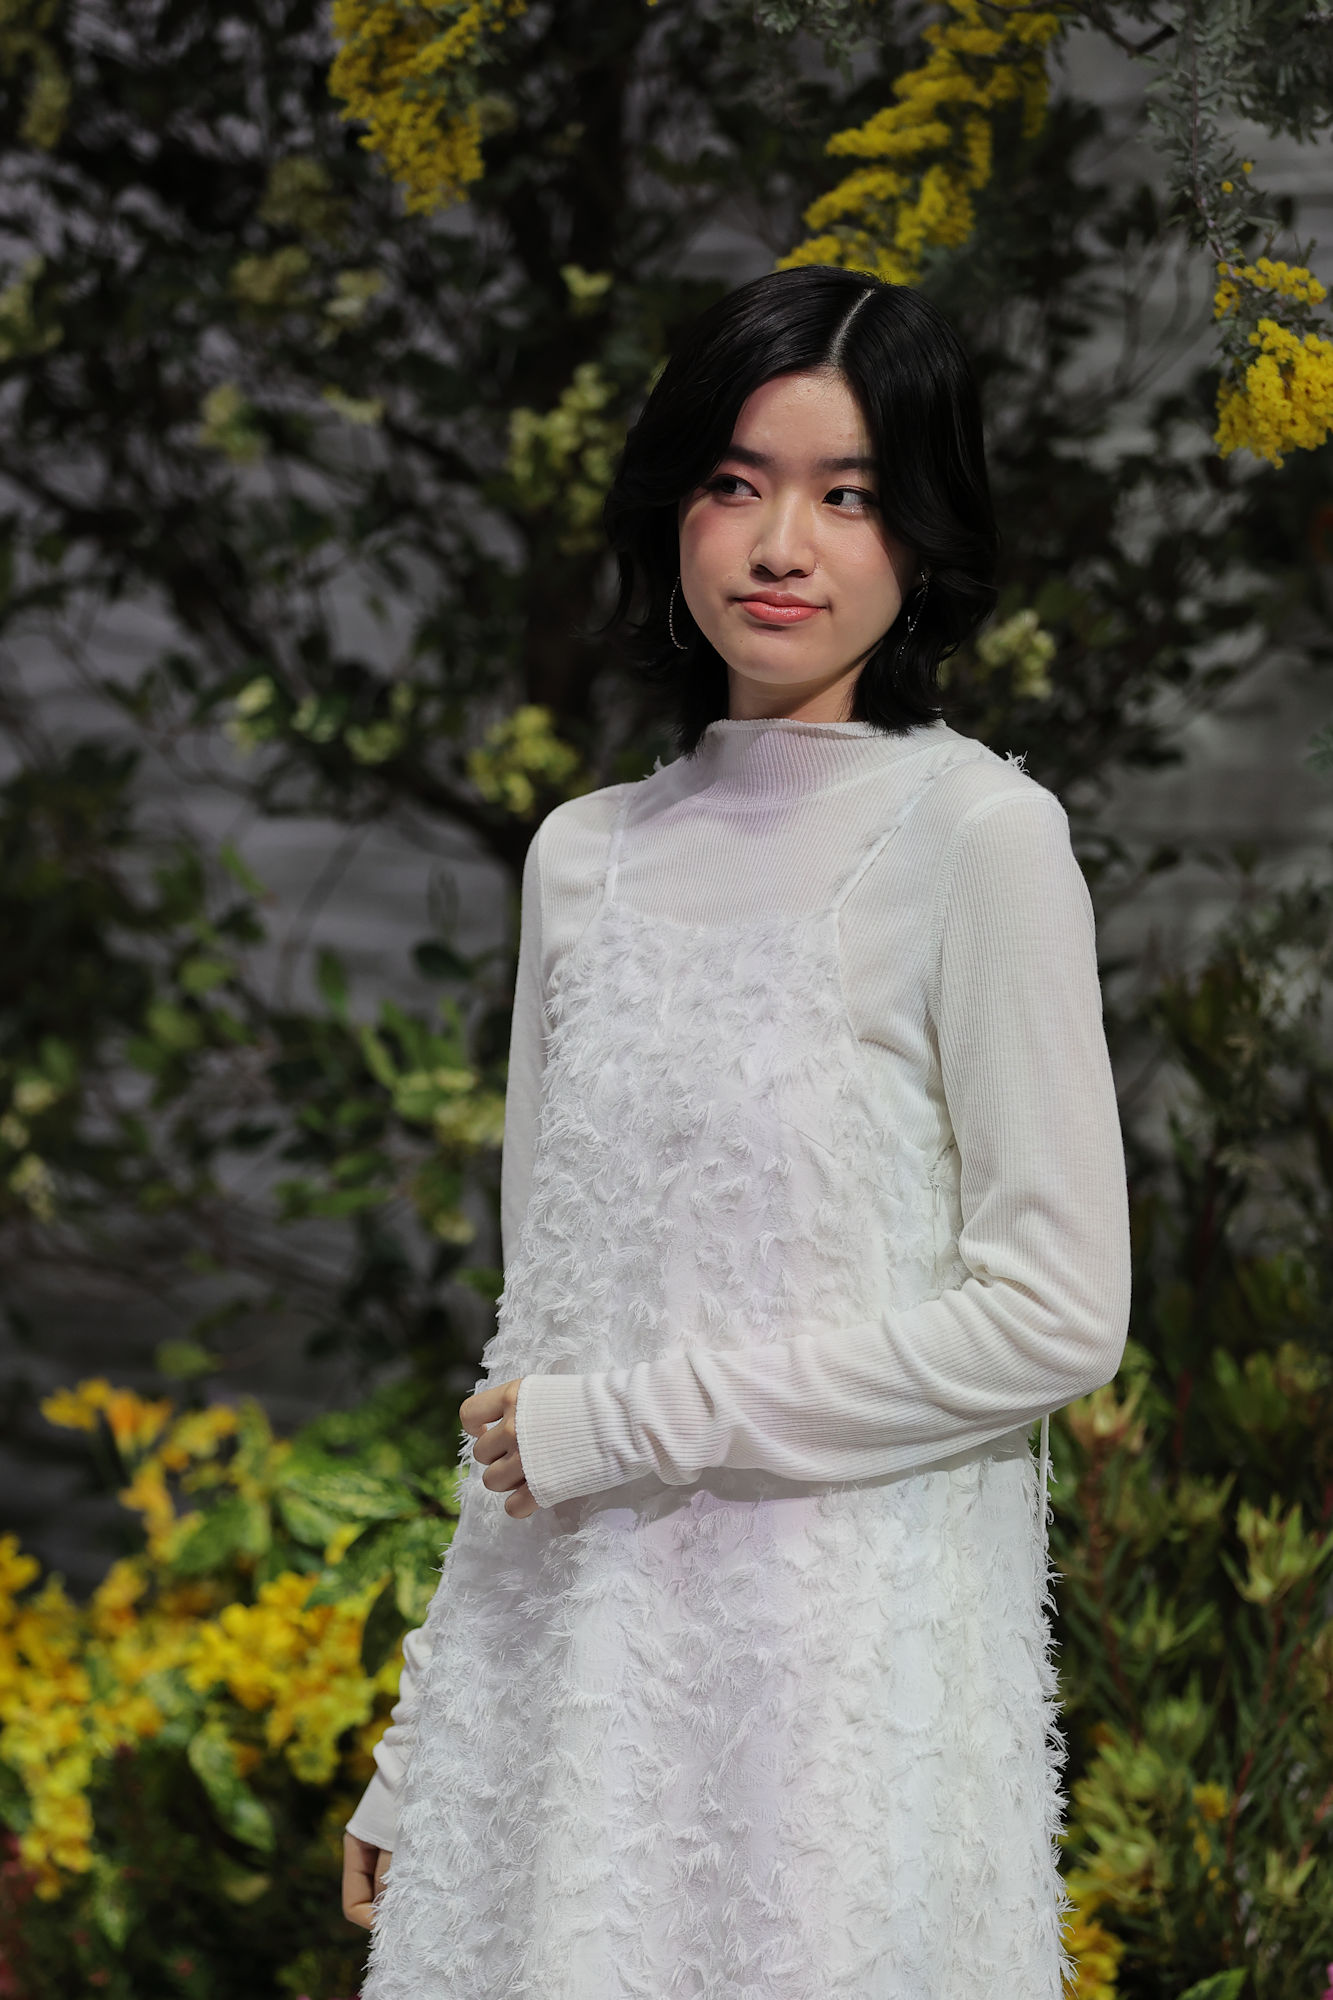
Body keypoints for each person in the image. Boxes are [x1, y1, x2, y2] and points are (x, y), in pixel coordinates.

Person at [341, 264, 1132, 1999]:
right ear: (672, 507)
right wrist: (423, 1739)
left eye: (847, 495)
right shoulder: (583, 855)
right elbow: (539, 1343)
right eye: (735, 481)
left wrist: (631, 1424)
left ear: (921, 534)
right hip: (574, 1699)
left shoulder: (978, 839)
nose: (782, 545)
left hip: (846, 1692)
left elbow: (1057, 1316)